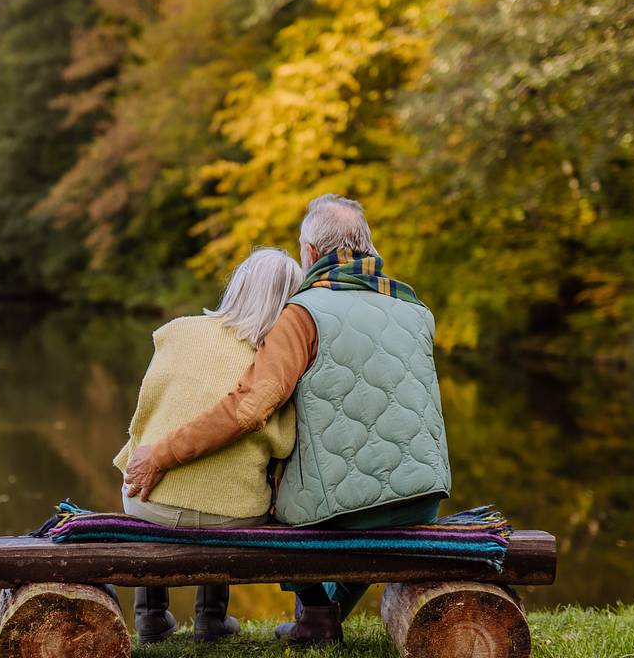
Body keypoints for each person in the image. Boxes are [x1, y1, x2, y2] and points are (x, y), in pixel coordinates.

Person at [125, 194, 451, 646]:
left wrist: (162, 454)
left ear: (313, 254)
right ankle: (323, 616)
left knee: (289, 496)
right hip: (425, 499)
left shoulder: (304, 314)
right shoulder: (416, 310)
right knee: (364, 493)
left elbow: (250, 408)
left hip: (343, 512)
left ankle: (317, 613)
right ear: (368, 248)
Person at [113, 247, 302, 643]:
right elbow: (283, 445)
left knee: (143, 475)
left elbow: (145, 414)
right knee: (240, 482)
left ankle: (151, 615)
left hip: (149, 502)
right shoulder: (274, 365)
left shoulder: (178, 331)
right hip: (233, 518)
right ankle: (211, 619)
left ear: (238, 285)